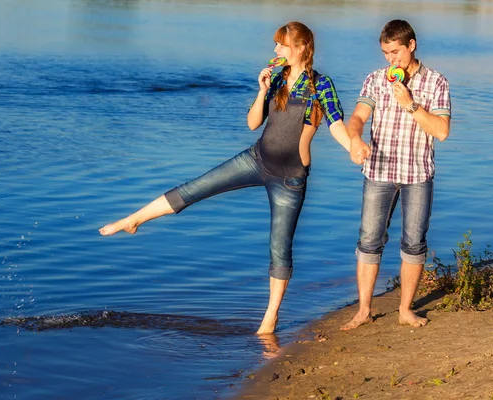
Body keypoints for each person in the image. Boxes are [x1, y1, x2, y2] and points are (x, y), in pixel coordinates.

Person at [99, 21, 351, 335]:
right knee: (196, 187)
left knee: (279, 246)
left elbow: (337, 124)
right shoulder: (277, 77)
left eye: (281, 45)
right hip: (257, 159)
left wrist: (355, 147)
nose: (275, 50)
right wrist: (261, 92)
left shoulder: (320, 84)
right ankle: (133, 219)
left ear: (299, 47)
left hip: (289, 177)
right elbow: (252, 123)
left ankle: (269, 320)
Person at [341, 19, 451, 330]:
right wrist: (355, 139)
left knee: (414, 243)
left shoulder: (436, 82)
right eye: (386, 53)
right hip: (379, 170)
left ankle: (405, 309)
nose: (391, 59)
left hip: (417, 174)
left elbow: (441, 131)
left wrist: (411, 104)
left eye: (395, 52)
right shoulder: (376, 79)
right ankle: (364, 310)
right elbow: (358, 117)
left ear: (411, 45)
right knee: (369, 240)